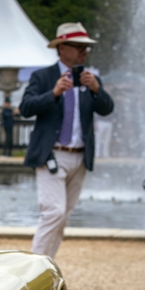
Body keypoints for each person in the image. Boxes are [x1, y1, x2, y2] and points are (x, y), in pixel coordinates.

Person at [21, 22, 114, 259]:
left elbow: (107, 109)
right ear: (62, 48)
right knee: (53, 212)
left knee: (62, 218)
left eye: (86, 47)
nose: (84, 51)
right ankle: (34, 274)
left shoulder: (89, 78)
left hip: (80, 157)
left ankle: (49, 275)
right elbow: (25, 108)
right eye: (78, 46)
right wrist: (53, 93)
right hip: (52, 154)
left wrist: (96, 90)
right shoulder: (42, 76)